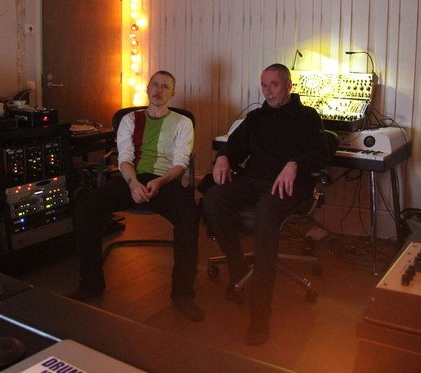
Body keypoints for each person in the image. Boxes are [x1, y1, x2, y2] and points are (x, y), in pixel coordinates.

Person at [203, 63, 329, 345]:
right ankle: (237, 268)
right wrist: (223, 156)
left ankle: (260, 313)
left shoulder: (307, 117)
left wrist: (295, 164)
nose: (268, 91)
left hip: (288, 185)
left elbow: (320, 154)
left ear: (289, 85)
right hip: (254, 180)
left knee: (266, 211)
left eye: (274, 84)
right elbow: (234, 145)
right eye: (264, 85)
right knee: (213, 198)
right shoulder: (256, 117)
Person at [71, 71, 204, 322]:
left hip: (165, 181)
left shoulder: (182, 122)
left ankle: (183, 294)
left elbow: (181, 163)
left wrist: (160, 182)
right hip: (133, 178)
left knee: (189, 213)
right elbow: (124, 157)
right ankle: (90, 283)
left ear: (172, 94)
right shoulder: (130, 119)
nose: (158, 90)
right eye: (155, 85)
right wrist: (132, 184)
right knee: (88, 203)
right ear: (147, 88)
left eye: (165, 87)